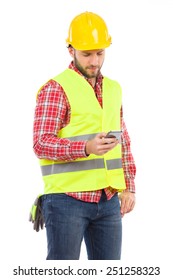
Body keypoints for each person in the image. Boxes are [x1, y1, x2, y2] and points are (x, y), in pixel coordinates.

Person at [30, 11, 136, 260]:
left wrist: (129, 188)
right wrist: (86, 147)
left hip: (108, 200)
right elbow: (40, 143)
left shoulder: (113, 88)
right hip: (67, 201)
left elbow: (124, 141)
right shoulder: (56, 89)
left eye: (100, 53)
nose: (95, 61)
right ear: (71, 50)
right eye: (87, 54)